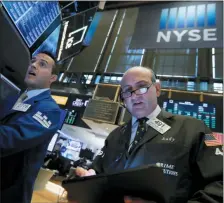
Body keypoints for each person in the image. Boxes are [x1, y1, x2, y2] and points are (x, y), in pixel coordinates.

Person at [75, 66, 223, 203]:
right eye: (127, 91)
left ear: (157, 89)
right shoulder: (114, 136)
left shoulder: (198, 128)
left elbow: (220, 184)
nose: (134, 95)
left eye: (142, 87)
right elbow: (98, 173)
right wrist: (88, 181)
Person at [0, 51, 62, 203]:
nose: (33, 65)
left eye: (42, 64)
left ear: (52, 78)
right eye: (33, 61)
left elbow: (11, 137)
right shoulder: (14, 97)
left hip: (8, 191)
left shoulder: (50, 110)